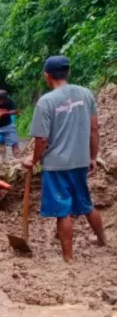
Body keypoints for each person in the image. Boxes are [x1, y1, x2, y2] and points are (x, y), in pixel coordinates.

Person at [23, 56, 106, 262]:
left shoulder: (46, 101)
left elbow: (41, 139)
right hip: (80, 161)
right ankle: (103, 240)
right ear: (67, 73)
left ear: (46, 76)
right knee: (86, 204)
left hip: (56, 165)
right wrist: (93, 157)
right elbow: (94, 129)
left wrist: (33, 161)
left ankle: (68, 258)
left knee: (63, 211)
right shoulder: (86, 94)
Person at [0, 90, 20, 160]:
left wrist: (5, 113)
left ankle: (18, 162)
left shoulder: (9, 100)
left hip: (8, 126)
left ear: (4, 100)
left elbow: (16, 111)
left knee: (15, 144)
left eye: (1, 101)